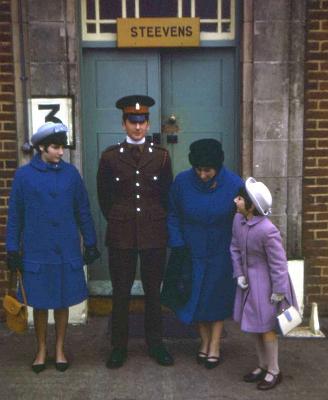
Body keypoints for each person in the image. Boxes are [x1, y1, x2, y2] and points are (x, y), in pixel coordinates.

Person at [6, 122, 100, 373]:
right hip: (37, 251)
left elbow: (83, 210)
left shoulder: (71, 174)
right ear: (41, 148)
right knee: (39, 303)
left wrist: (90, 242)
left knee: (62, 301)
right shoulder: (23, 176)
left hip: (66, 249)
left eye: (62, 147)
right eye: (56, 148)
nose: (61, 152)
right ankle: (40, 349)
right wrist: (12, 248)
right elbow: (15, 215)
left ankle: (59, 348)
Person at [97, 95, 174, 368]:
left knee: (154, 292)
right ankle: (119, 347)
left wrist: (156, 221)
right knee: (121, 292)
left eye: (142, 122)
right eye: (132, 122)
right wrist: (120, 220)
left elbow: (166, 196)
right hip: (121, 233)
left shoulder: (162, 157)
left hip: (154, 233)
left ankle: (156, 344)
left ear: (148, 122)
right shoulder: (109, 157)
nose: (138, 128)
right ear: (124, 124)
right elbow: (105, 198)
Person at [167, 138, 243, 369]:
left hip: (221, 251)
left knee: (216, 299)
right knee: (195, 298)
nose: (202, 175)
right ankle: (204, 340)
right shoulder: (181, 182)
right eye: (198, 170)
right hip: (190, 250)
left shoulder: (234, 184)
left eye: (208, 170)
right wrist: (178, 243)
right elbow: (172, 214)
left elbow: (244, 217)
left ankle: (215, 345)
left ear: (218, 167)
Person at [231, 177, 299, 390]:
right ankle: (262, 365)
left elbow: (279, 264)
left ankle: (274, 370)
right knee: (255, 327)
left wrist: (279, 291)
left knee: (267, 328)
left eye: (240, 198)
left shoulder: (268, 230)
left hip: (266, 286)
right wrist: (239, 273)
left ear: (251, 205)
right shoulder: (238, 221)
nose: (235, 201)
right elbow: (234, 247)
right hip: (248, 284)